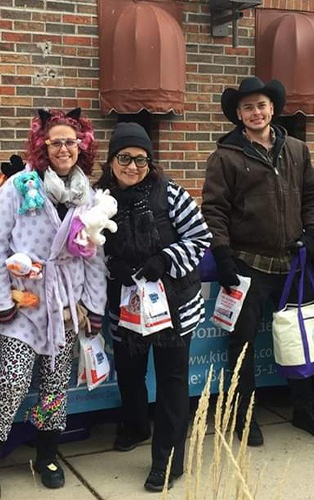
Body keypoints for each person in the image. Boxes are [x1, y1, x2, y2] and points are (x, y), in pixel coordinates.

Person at [0, 108, 107, 499]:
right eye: (56, 142)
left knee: (54, 387)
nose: (64, 149)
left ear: (81, 145)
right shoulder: (18, 186)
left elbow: (95, 255)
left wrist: (93, 306)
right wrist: (0, 301)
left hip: (67, 305)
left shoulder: (90, 195)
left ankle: (48, 453)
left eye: (71, 141)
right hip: (25, 301)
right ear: (42, 146)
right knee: (11, 384)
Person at [201, 76, 314, 447]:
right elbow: (214, 211)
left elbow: (313, 196)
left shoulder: (296, 149)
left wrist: (312, 231)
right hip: (247, 266)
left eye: (261, 105)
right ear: (239, 115)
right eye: (248, 107)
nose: (255, 112)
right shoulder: (224, 157)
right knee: (241, 344)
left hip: (292, 264)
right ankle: (244, 417)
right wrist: (223, 254)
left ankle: (305, 409)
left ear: (272, 108)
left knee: (299, 338)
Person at [94, 122, 211, 492]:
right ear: (112, 160)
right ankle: (135, 425)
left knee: (172, 380)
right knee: (129, 372)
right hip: (126, 305)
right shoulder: (98, 199)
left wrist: (164, 259)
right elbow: (84, 246)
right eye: (124, 158)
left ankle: (168, 459)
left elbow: (200, 236)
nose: (132, 167)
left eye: (141, 160)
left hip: (173, 305)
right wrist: (112, 265)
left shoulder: (169, 193)